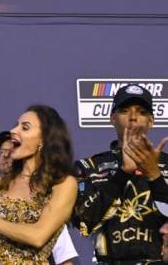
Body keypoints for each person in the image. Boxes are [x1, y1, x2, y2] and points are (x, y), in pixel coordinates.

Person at [0, 105, 77, 264]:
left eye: (25, 127)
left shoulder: (63, 184)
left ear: (44, 139)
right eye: (16, 124)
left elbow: (38, 236)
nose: (14, 130)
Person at [72, 84, 168, 263]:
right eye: (125, 111)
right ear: (112, 118)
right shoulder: (90, 166)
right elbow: (84, 223)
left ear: (151, 121)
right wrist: (122, 174)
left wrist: (155, 176)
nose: (133, 118)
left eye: (141, 112)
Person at [0, 131, 78, 265]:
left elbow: (64, 257)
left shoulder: (47, 202)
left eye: (12, 150)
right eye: (2, 152)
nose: (6, 156)